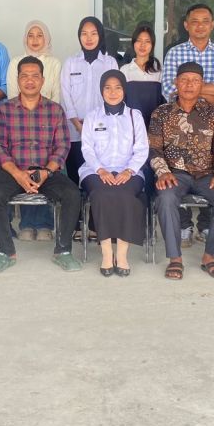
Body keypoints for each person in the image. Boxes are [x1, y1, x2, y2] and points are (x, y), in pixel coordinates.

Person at [0, 56, 81, 273]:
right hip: (12, 171)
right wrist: (18, 174)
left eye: (35, 76)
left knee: (72, 194)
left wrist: (46, 172)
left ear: (43, 80)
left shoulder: (55, 110)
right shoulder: (4, 110)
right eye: (24, 76)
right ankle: (5, 252)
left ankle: (63, 251)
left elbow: (62, 146)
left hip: (46, 171)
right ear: (17, 80)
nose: (30, 80)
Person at [148, 61, 214, 281]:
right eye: (184, 80)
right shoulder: (161, 113)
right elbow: (154, 148)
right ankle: (175, 259)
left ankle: (210, 257)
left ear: (202, 84)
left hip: (207, 174)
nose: (189, 85)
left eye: (195, 81)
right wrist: (162, 172)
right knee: (165, 197)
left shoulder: (213, 112)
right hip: (175, 174)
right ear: (176, 83)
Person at [160, 4, 214, 247]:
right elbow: (169, 90)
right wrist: (207, 93)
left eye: (205, 21)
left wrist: (190, 89)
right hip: (178, 123)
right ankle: (184, 225)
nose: (200, 26)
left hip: (213, 123)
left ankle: (206, 224)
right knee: (177, 169)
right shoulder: (175, 53)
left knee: (211, 168)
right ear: (186, 25)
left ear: (212, 24)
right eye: (195, 21)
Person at [80, 70, 149, 277]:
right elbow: (87, 149)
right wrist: (100, 170)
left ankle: (122, 253)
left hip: (130, 170)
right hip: (95, 170)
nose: (112, 92)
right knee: (102, 194)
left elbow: (142, 148)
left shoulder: (134, 116)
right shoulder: (92, 116)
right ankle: (107, 253)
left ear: (124, 90)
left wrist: (129, 170)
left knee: (125, 194)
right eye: (107, 88)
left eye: (117, 87)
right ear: (101, 91)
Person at [61, 16, 118, 239]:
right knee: (74, 177)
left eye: (93, 33)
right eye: (84, 33)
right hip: (74, 131)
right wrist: (76, 122)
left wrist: (94, 125)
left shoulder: (110, 63)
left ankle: (95, 223)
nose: (89, 38)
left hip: (102, 132)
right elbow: (65, 95)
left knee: (98, 176)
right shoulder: (70, 63)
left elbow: (114, 95)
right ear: (79, 36)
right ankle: (76, 224)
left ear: (100, 36)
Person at [7, 20, 61, 242]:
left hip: (48, 124)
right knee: (24, 168)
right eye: (31, 35)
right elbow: (13, 93)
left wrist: (46, 117)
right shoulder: (15, 62)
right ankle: (27, 224)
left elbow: (56, 94)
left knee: (45, 169)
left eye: (40, 35)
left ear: (46, 38)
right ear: (25, 38)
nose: (35, 39)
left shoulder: (54, 63)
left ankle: (45, 224)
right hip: (20, 124)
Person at [120, 23, 164, 128]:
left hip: (155, 127)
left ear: (152, 45)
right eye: (139, 41)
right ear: (133, 43)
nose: (142, 45)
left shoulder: (159, 70)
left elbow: (162, 102)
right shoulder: (125, 70)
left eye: (147, 41)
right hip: (131, 126)